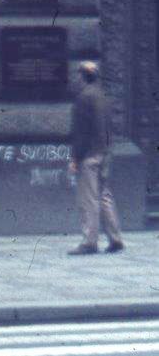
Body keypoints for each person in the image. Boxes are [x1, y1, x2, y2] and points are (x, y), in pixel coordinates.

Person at [68, 61, 124, 255]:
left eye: (78, 75)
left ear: (83, 76)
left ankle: (89, 241)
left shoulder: (84, 98)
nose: (76, 78)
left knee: (89, 199)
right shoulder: (104, 96)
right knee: (104, 195)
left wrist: (75, 158)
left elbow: (81, 132)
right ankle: (115, 238)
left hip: (89, 155)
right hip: (104, 152)